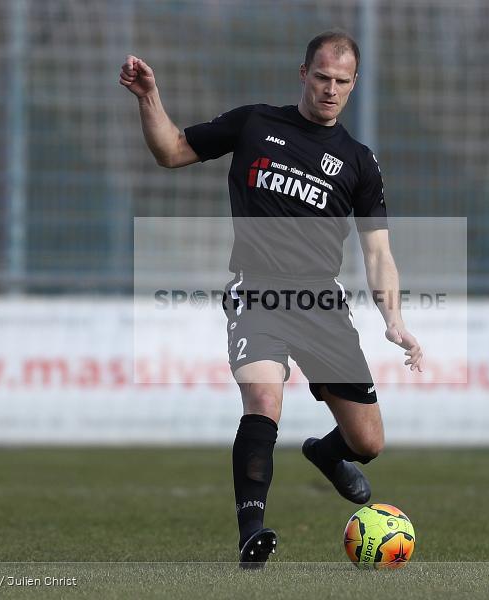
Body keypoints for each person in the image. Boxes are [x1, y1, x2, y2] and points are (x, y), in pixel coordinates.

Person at [120, 29, 422, 568]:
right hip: (256, 291)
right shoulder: (256, 123)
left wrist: (394, 321)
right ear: (303, 73)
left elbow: (378, 253)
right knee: (264, 399)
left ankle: (325, 452)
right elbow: (171, 151)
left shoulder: (359, 161)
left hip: (321, 305)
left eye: (342, 82)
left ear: (355, 85)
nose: (330, 89)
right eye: (323, 77)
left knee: (369, 443)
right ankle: (251, 535)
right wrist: (149, 98)